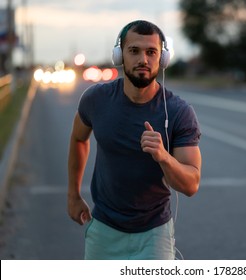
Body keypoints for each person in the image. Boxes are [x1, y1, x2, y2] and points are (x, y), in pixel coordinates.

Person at [67, 20, 202, 260]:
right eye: (134, 51)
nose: (143, 59)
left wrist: (163, 157)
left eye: (151, 52)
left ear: (163, 58)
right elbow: (79, 139)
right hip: (103, 230)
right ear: (119, 55)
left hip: (154, 235)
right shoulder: (96, 99)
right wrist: (73, 195)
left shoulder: (178, 111)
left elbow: (191, 185)